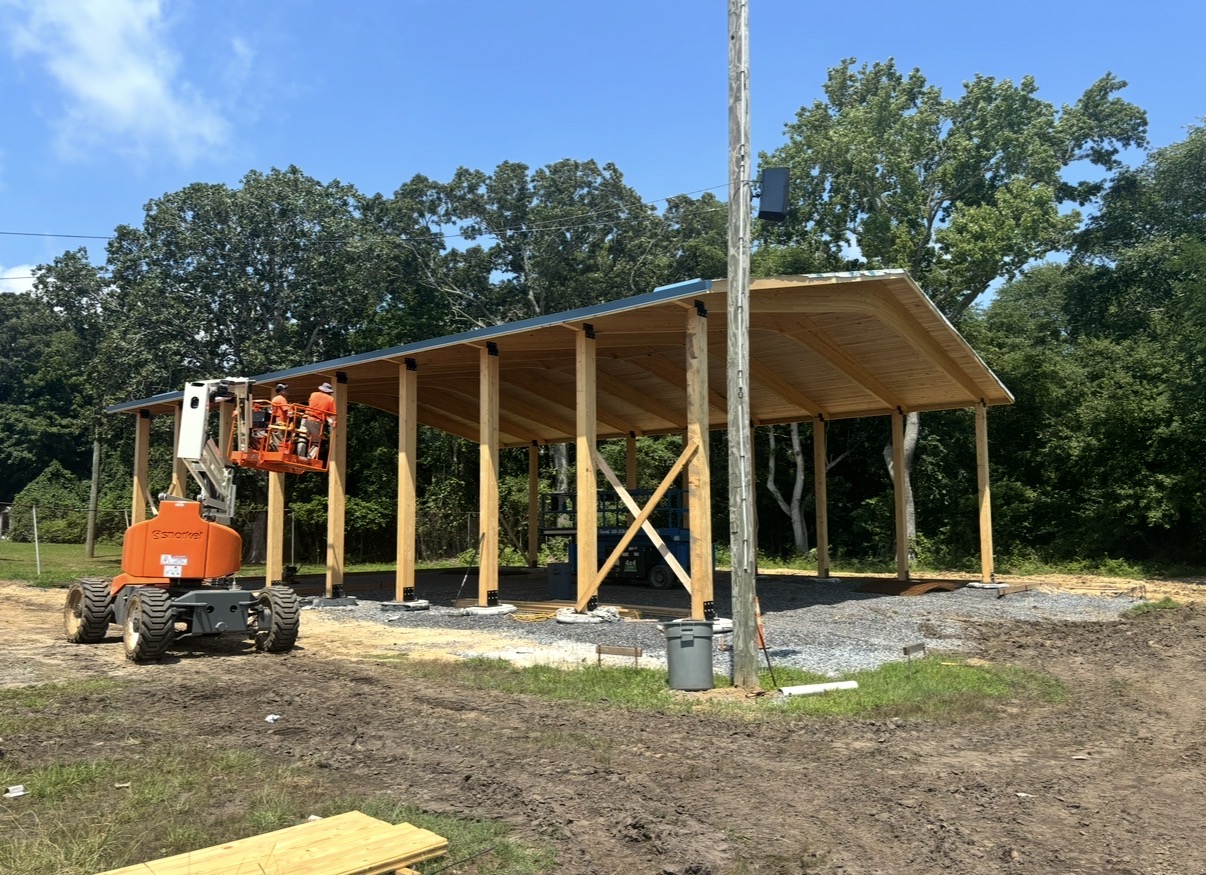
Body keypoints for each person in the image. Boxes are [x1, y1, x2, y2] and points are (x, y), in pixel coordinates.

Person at [299, 382, 336, 461]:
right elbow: (332, 413)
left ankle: (300, 456)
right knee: (316, 442)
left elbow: (312, 405)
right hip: (316, 421)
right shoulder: (330, 399)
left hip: (305, 418)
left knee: (302, 437)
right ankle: (309, 458)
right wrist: (330, 420)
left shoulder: (313, 394)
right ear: (329, 391)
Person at [268, 383, 290, 450]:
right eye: (285, 389)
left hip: (276, 422)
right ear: (281, 391)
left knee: (276, 441)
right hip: (281, 422)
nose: (287, 391)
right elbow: (287, 410)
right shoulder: (281, 399)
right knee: (280, 441)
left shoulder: (275, 398)